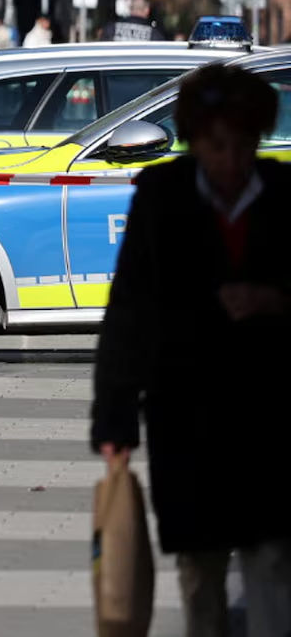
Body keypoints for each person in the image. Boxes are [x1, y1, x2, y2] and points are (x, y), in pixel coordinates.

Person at [93, 65, 291, 637]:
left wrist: (273, 300)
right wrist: (115, 420)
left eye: (243, 143)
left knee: (273, 558)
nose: (230, 160)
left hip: (272, 413)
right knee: (200, 566)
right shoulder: (162, 197)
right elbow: (129, 311)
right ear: (196, 139)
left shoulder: (282, 198)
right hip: (187, 411)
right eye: (216, 145)